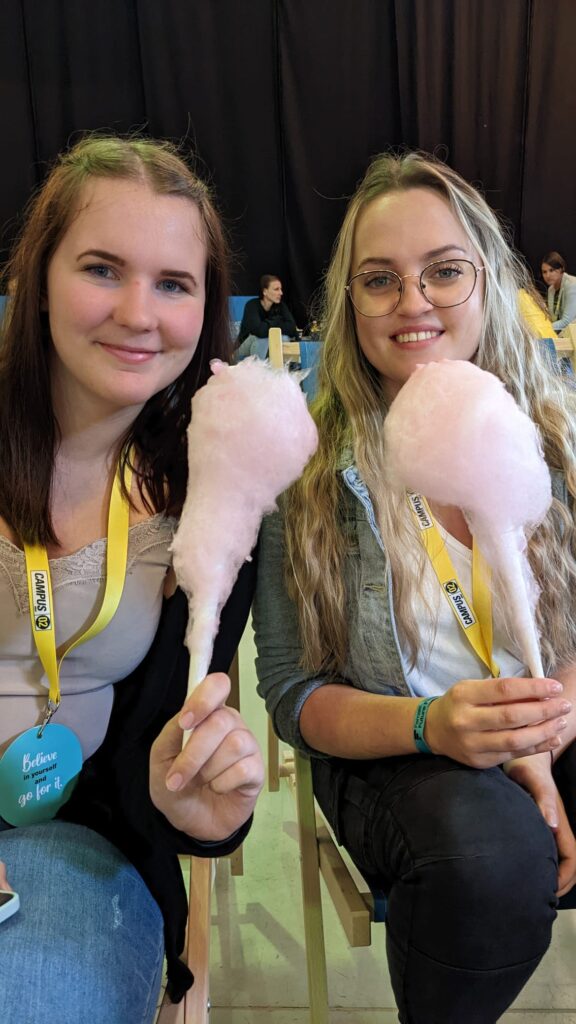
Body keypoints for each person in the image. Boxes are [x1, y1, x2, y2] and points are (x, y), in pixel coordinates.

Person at [254, 152, 576, 1024]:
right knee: (491, 865)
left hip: (553, 718)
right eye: (380, 280)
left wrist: (541, 732)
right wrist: (438, 726)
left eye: (443, 271)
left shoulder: (556, 434)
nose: (413, 302)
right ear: (347, 301)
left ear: (488, 278)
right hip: (397, 746)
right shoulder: (303, 467)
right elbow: (291, 694)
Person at [0, 136, 264, 1023]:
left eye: (174, 283)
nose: (138, 314)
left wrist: (197, 804)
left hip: (76, 844)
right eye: (103, 269)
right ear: (40, 277)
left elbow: (175, 761)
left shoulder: (212, 497)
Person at [235, 274, 297, 359]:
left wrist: (267, 325)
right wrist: (277, 320)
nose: (281, 293)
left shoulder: (281, 306)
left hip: (265, 343)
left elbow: (292, 328)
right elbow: (259, 332)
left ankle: (279, 370)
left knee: (284, 338)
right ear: (265, 291)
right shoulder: (252, 305)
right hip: (243, 346)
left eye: (281, 289)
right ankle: (258, 370)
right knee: (259, 340)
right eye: (276, 289)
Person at [541, 251, 576, 332]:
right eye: (544, 272)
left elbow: (567, 322)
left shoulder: (572, 285)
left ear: (561, 269)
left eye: (551, 270)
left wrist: (543, 328)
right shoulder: (551, 290)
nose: (547, 275)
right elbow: (553, 318)